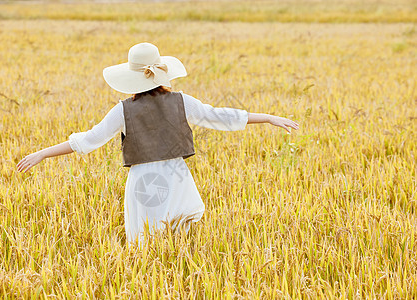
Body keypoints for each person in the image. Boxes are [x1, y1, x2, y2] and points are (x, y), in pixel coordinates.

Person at [17, 42, 299, 247]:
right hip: (176, 179)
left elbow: (88, 141)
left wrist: (42, 153)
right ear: (161, 73)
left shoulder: (123, 110)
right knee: (182, 241)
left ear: (131, 78)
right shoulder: (182, 101)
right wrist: (269, 118)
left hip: (143, 185)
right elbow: (221, 116)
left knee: (146, 243)